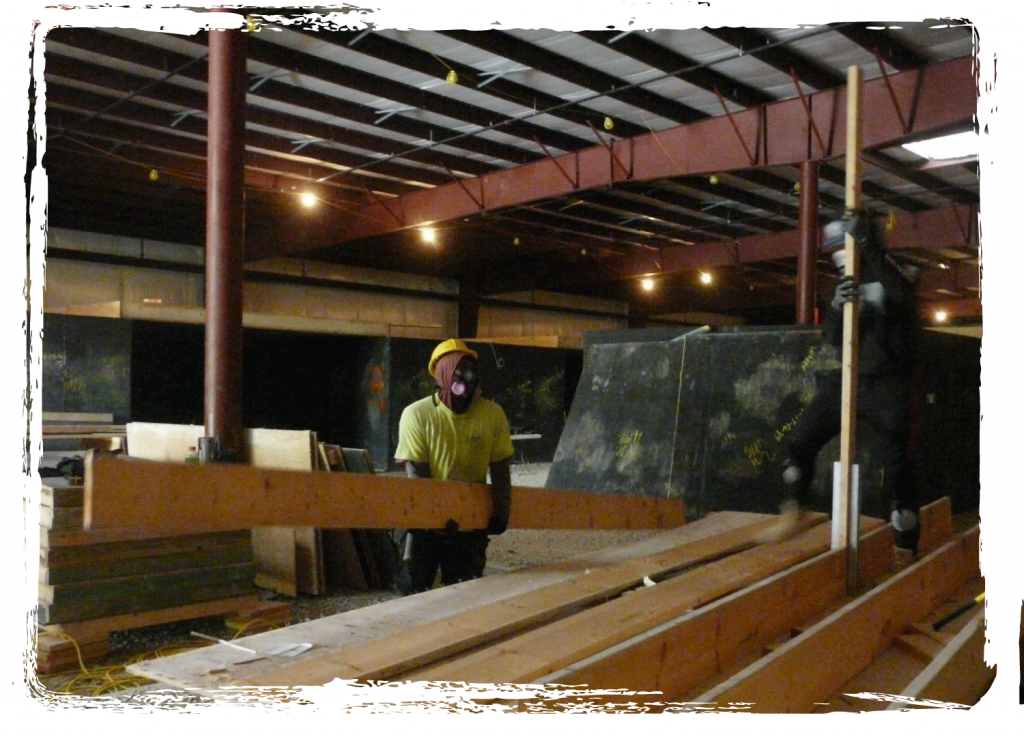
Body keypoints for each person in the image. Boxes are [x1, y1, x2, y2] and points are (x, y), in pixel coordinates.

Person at [774, 210, 922, 554]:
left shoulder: (898, 273)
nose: (839, 258)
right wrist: (838, 308)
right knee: (800, 440)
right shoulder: (843, 284)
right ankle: (794, 506)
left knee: (897, 468)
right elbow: (834, 339)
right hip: (850, 376)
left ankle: (905, 545)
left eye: (844, 249)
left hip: (888, 384)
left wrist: (870, 244)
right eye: (834, 253)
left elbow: (901, 293)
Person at [392, 338, 515, 594]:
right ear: (444, 373)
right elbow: (418, 476)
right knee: (413, 589)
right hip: (424, 521)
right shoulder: (417, 415)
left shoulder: (492, 414)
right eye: (459, 371)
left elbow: (501, 470)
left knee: (464, 591)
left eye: (471, 372)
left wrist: (501, 512)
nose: (467, 379)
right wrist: (438, 517)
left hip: (469, 522)